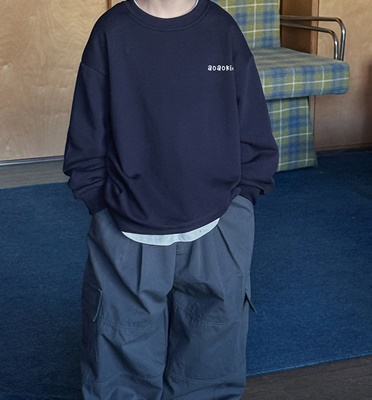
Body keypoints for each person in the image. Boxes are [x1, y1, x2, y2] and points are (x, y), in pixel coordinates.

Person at [63, 0, 279, 398]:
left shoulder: (221, 29)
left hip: (220, 222)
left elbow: (251, 123)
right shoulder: (111, 31)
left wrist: (244, 199)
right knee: (120, 354)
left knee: (212, 358)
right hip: (126, 225)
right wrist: (101, 205)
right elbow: (87, 133)